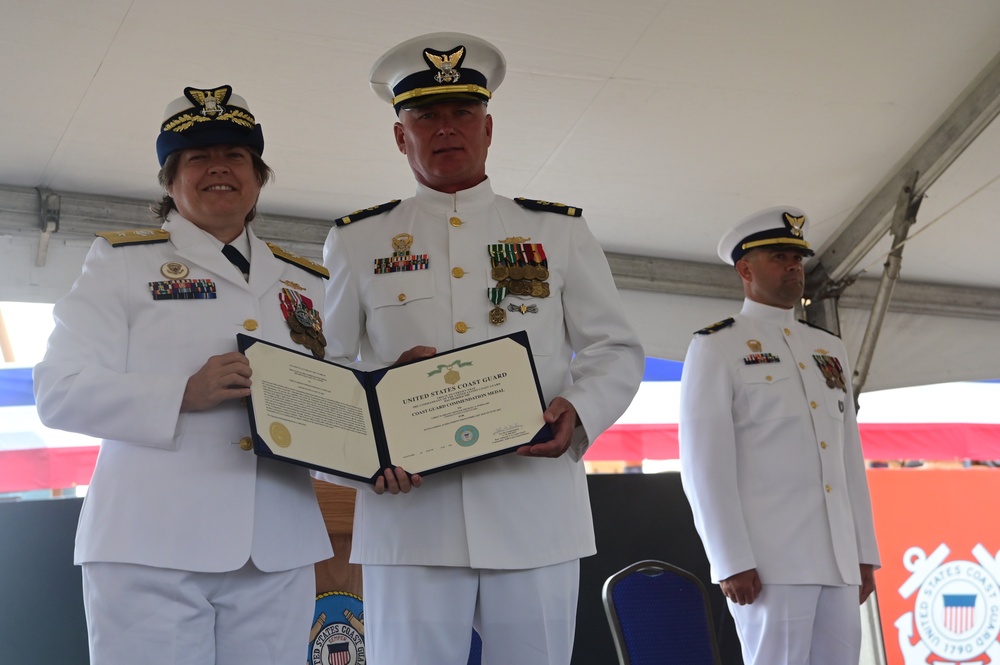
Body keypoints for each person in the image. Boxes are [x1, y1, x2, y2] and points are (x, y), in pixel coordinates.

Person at [320, 32, 645, 665]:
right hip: (411, 517)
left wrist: (577, 410)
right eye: (426, 115)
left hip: (533, 509)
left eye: (462, 113)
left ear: (488, 128)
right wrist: (376, 419)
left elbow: (614, 347)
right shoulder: (358, 241)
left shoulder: (557, 231)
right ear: (399, 136)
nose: (447, 128)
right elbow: (326, 369)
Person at [33, 84, 333, 665]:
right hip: (151, 549)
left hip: (277, 547)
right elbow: (57, 391)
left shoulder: (308, 283)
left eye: (236, 155)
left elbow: (337, 401)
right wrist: (180, 394)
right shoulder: (121, 263)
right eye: (198, 157)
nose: (219, 167)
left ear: (258, 177)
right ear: (170, 181)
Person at [678, 206, 881, 664]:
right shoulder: (717, 345)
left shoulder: (828, 349)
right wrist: (730, 559)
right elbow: (703, 464)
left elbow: (849, 456)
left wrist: (863, 552)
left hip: (838, 558)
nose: (794, 266)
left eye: (797, 258)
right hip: (771, 562)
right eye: (779, 257)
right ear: (745, 270)